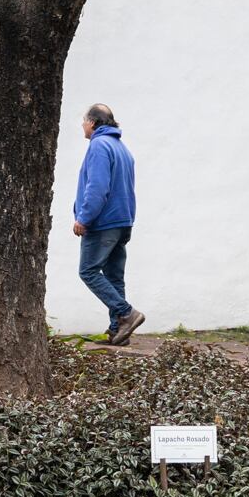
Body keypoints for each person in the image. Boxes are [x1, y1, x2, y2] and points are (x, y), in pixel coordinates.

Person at [72, 103, 145, 344]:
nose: (82, 125)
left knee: (88, 271)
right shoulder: (121, 147)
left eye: (84, 120)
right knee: (114, 276)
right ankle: (118, 332)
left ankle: (126, 313)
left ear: (93, 122)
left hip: (103, 222)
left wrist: (84, 217)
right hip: (123, 221)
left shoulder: (99, 146)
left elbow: (97, 187)